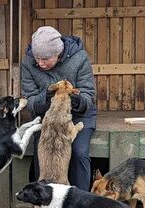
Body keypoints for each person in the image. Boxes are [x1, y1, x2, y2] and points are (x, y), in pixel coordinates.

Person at [21, 26, 97, 192]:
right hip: (48, 116)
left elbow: (89, 95)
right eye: (37, 58)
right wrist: (47, 96)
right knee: (42, 150)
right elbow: (31, 102)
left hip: (78, 116)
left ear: (58, 53)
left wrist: (74, 98)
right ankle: (42, 200)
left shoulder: (79, 58)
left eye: (45, 59)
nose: (40, 63)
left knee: (79, 152)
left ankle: (80, 201)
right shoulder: (27, 63)